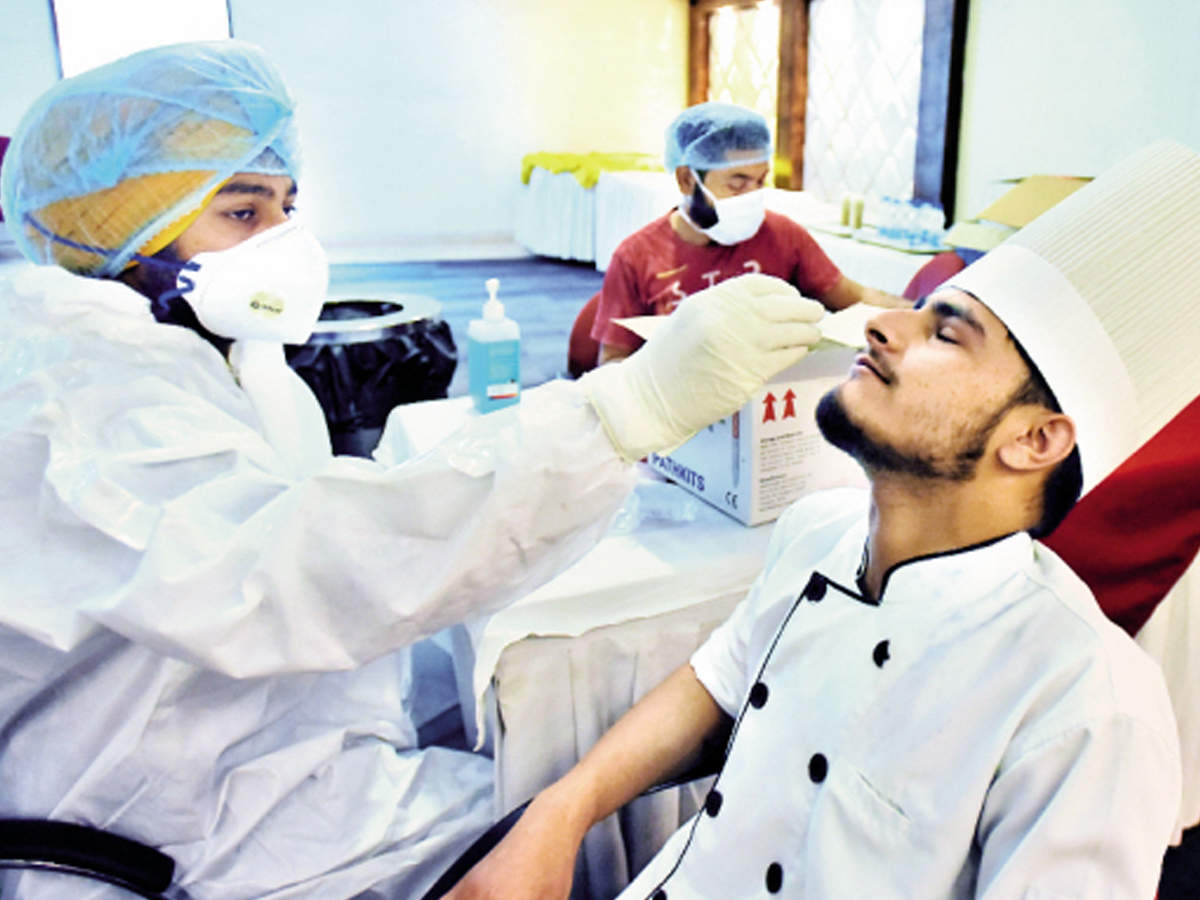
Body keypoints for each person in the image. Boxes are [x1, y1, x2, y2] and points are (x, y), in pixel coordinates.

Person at [0, 41, 831, 899]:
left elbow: (323, 535)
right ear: (112, 232)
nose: (285, 241)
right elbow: (289, 571)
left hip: (244, 734)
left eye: (288, 206)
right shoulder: (72, 399)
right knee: (563, 833)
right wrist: (618, 414)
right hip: (182, 816)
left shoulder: (182, 353)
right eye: (242, 215)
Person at [446, 141, 1200, 898]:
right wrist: (561, 810)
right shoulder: (818, 531)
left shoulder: (1091, 706)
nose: (880, 327)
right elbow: (718, 681)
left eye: (945, 332)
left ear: (1035, 440)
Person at [590, 101, 904, 365]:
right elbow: (614, 364)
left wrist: (924, 314)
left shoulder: (783, 236)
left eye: (760, 181)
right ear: (687, 180)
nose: (751, 195)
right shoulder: (638, 257)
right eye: (737, 183)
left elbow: (855, 297)